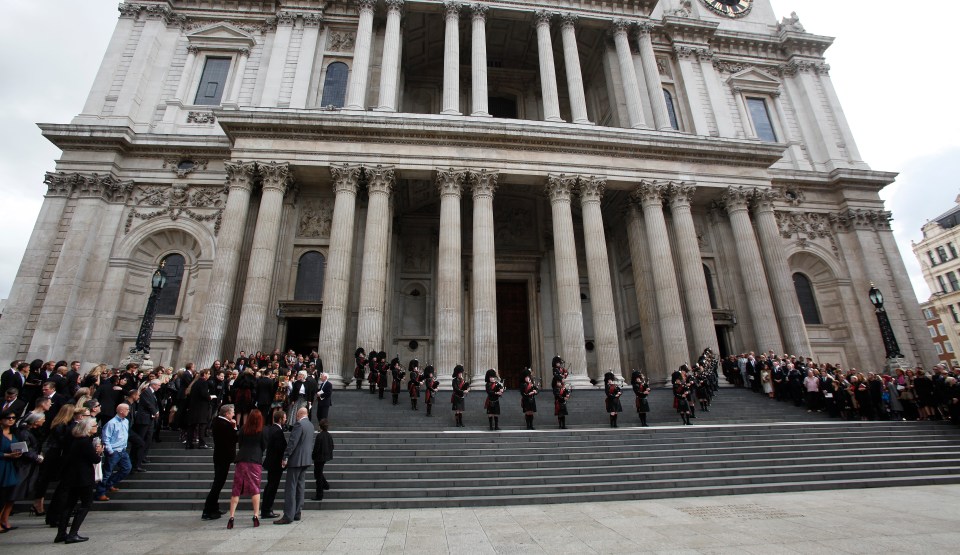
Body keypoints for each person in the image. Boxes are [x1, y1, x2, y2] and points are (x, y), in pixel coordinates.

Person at [54, 417, 101, 544]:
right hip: (83, 477)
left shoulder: (76, 440)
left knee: (69, 504)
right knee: (86, 504)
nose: (96, 427)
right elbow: (95, 459)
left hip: (73, 476)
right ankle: (73, 533)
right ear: (88, 428)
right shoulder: (85, 442)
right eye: (95, 425)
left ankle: (61, 533)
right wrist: (99, 452)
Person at [227, 409, 266, 529]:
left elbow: (240, 442)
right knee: (255, 488)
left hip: (242, 459)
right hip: (254, 460)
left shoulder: (243, 429)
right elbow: (263, 445)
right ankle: (255, 515)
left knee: (236, 488)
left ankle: (232, 516)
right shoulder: (261, 431)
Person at [274, 407, 314, 525]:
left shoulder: (299, 425)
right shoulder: (310, 425)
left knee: (290, 487)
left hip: (296, 460)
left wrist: (285, 456)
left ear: (300, 414)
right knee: (300, 486)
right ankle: (297, 512)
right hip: (305, 460)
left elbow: (292, 442)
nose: (296, 417)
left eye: (297, 415)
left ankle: (288, 515)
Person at [201, 404, 238, 521]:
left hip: (220, 456)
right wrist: (235, 427)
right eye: (232, 412)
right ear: (226, 414)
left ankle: (214, 508)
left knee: (218, 483)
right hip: (223, 457)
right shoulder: (224, 424)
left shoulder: (219, 422)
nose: (233, 414)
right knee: (218, 484)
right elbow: (234, 438)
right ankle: (208, 510)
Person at [95, 403, 131, 501]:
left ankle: (110, 483)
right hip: (114, 450)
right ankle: (100, 492)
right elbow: (106, 438)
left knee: (127, 468)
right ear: (121, 411)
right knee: (107, 472)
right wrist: (110, 451)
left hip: (122, 450)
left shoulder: (126, 421)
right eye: (127, 409)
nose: (129, 411)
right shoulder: (111, 423)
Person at [12, 413, 45, 513]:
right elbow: (26, 449)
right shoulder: (25, 433)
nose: (44, 420)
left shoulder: (31, 431)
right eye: (42, 419)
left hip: (28, 464)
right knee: (17, 488)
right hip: (24, 465)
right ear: (35, 421)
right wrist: (37, 457)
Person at [260, 410, 287, 519]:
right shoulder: (278, 431)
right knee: (272, 487)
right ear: (280, 419)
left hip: (271, 462)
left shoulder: (270, 429)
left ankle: (266, 508)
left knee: (270, 485)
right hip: (276, 463)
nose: (286, 419)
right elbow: (281, 447)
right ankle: (267, 510)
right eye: (284, 417)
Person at [1, 409, 23, 533]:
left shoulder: (15, 433)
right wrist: (7, 455)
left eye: (13, 418)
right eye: (8, 418)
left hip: (11, 466)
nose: (11, 420)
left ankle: (4, 519)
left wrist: (17, 454)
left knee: (9, 495)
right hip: (2, 464)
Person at [311, 419, 335, 501]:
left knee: (318, 475)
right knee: (318, 472)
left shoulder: (319, 436)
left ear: (320, 426)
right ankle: (325, 485)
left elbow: (316, 448)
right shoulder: (328, 435)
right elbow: (332, 446)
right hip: (325, 457)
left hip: (319, 458)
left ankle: (319, 494)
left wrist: (313, 456)